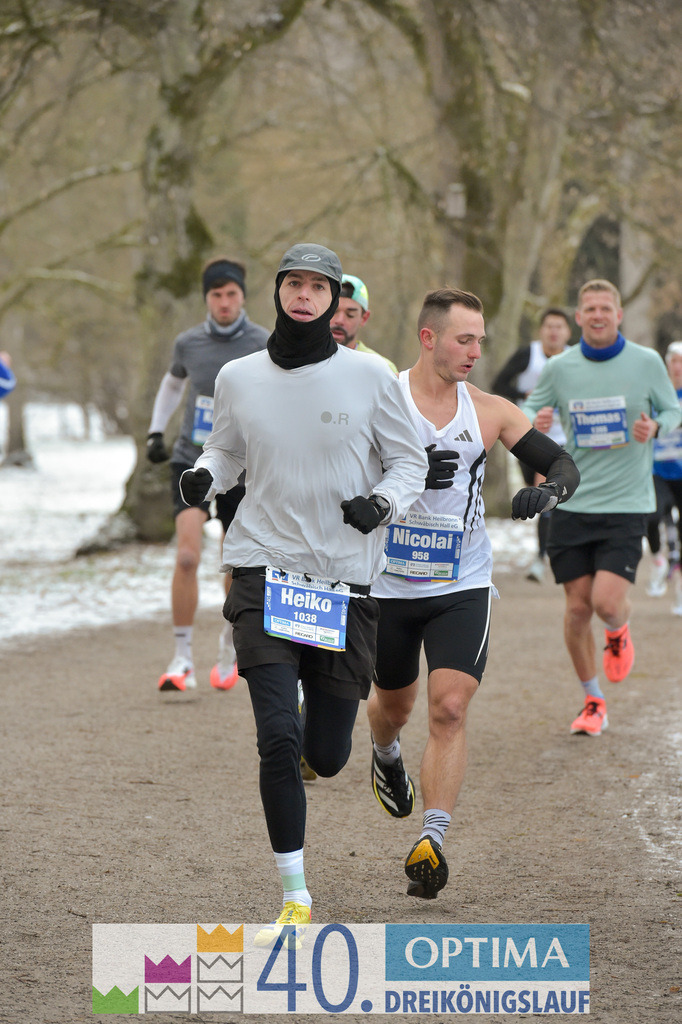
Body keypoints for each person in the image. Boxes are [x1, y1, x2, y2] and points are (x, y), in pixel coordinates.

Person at [179, 243, 427, 941]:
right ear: (279, 292)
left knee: (328, 748)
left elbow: (409, 462)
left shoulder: (372, 376)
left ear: (333, 297)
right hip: (262, 568)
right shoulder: (238, 377)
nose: (305, 295)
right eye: (294, 282)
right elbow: (225, 451)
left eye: (319, 286)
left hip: (342, 580)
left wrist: (382, 503)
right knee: (277, 737)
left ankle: (326, 739)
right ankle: (295, 895)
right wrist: (205, 475)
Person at [367, 288, 580, 900]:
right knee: (395, 704)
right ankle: (384, 752)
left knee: (450, 708)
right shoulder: (380, 404)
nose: (476, 351)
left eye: (481, 340)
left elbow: (561, 462)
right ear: (428, 337)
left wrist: (549, 493)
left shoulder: (489, 411)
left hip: (462, 581)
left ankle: (432, 840)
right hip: (388, 582)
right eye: (465, 339)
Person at [522, 279, 682, 737]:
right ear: (578, 316)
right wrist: (540, 420)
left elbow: (674, 411)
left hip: (627, 503)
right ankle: (593, 699)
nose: (597, 315)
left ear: (618, 315)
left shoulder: (647, 363)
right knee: (576, 610)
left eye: (605, 308)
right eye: (589, 308)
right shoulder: (561, 366)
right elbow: (531, 410)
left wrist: (655, 427)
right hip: (573, 502)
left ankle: (618, 630)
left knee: (607, 603)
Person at [146, 257, 268, 693]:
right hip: (191, 462)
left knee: (234, 560)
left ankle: (229, 645)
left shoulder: (263, 342)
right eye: (216, 295)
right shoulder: (188, 343)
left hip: (241, 465)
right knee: (187, 556)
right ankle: (181, 658)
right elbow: (173, 384)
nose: (224, 302)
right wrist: (155, 431)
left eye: (231, 294)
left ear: (243, 297)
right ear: (206, 299)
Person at [492, 308, 572, 581]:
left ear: (568, 332)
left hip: (569, 439)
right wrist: (524, 394)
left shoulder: (575, 358)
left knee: (549, 491)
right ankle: (547, 550)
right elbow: (498, 383)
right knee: (543, 496)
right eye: (549, 326)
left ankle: (542, 558)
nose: (554, 332)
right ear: (542, 331)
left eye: (559, 327)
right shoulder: (529, 355)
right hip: (530, 437)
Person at [644, 340, 682, 613]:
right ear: (667, 366)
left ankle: (680, 592)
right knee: (652, 515)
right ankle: (657, 558)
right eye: (674, 362)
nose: (678, 367)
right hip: (657, 469)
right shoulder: (657, 392)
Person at [330, 273, 398, 372]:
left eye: (350, 315)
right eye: (333, 312)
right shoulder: (302, 358)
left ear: (364, 318)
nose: (340, 321)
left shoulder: (382, 368)